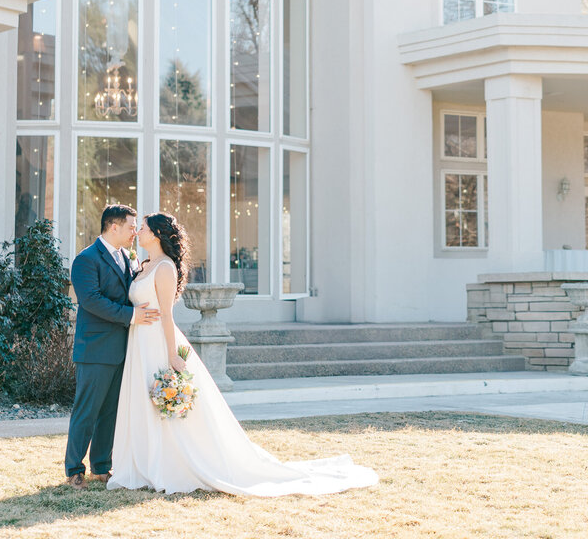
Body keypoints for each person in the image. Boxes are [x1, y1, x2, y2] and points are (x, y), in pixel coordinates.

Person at [106, 212, 378, 496]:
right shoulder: (144, 265)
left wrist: (173, 355)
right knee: (142, 400)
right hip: (139, 342)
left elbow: (166, 316)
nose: (139, 231)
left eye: (145, 228)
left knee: (162, 406)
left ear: (158, 234)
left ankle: (168, 464)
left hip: (158, 343)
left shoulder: (164, 268)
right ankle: (142, 462)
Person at [64, 204, 161, 490]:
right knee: (87, 410)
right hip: (95, 348)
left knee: (110, 411)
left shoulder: (128, 258)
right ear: (113, 226)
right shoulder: (86, 259)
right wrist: (132, 316)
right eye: (132, 226)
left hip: (123, 348)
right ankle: (73, 469)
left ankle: (102, 466)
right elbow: (91, 300)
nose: (135, 232)